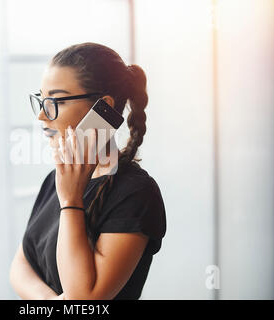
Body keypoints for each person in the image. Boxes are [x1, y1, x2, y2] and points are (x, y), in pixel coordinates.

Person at [9, 42, 166, 300]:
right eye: (41, 100)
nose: (41, 117)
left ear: (102, 107)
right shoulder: (57, 178)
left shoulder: (137, 193)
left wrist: (71, 202)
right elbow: (20, 266)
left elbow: (84, 300)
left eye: (55, 101)